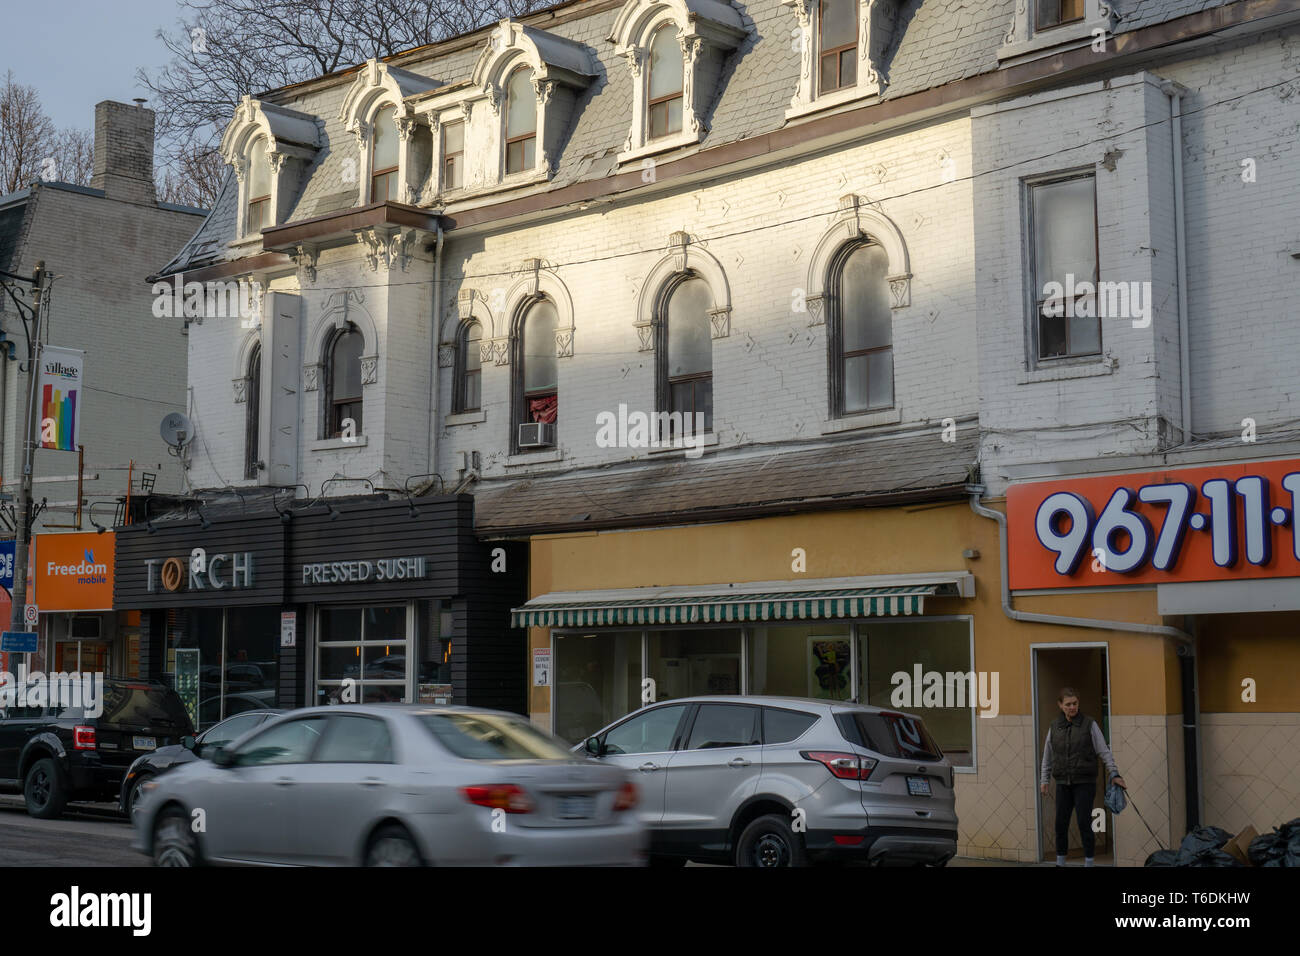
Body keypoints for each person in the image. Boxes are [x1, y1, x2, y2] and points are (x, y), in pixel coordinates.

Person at [1038, 687, 1125, 867]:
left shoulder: (1089, 724)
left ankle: (1089, 863)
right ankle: (1060, 862)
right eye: (1068, 704)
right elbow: (1048, 755)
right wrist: (1044, 780)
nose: (1072, 707)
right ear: (1060, 705)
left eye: (1075, 703)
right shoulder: (1054, 726)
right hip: (1063, 782)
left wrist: (1114, 773)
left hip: (1084, 782)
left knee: (1084, 822)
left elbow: (1104, 751)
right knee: (1060, 824)